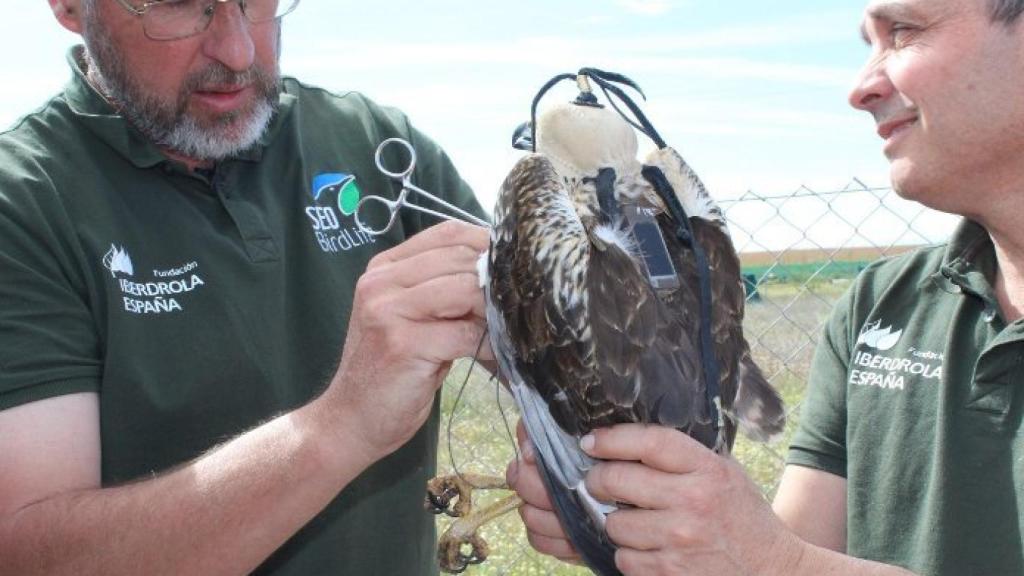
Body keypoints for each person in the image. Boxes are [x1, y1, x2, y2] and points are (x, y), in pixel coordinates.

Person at [509, 0, 1024, 574]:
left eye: (903, 32)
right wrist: (672, 530)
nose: (861, 88)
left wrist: (774, 561)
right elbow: (802, 546)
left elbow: (786, 561)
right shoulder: (880, 307)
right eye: (867, 45)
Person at [0, 1, 490, 574]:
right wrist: (341, 426)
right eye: (180, 5)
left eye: (257, 2)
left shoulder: (375, 144)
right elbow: (29, 551)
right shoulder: (25, 204)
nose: (237, 51)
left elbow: (553, 347)